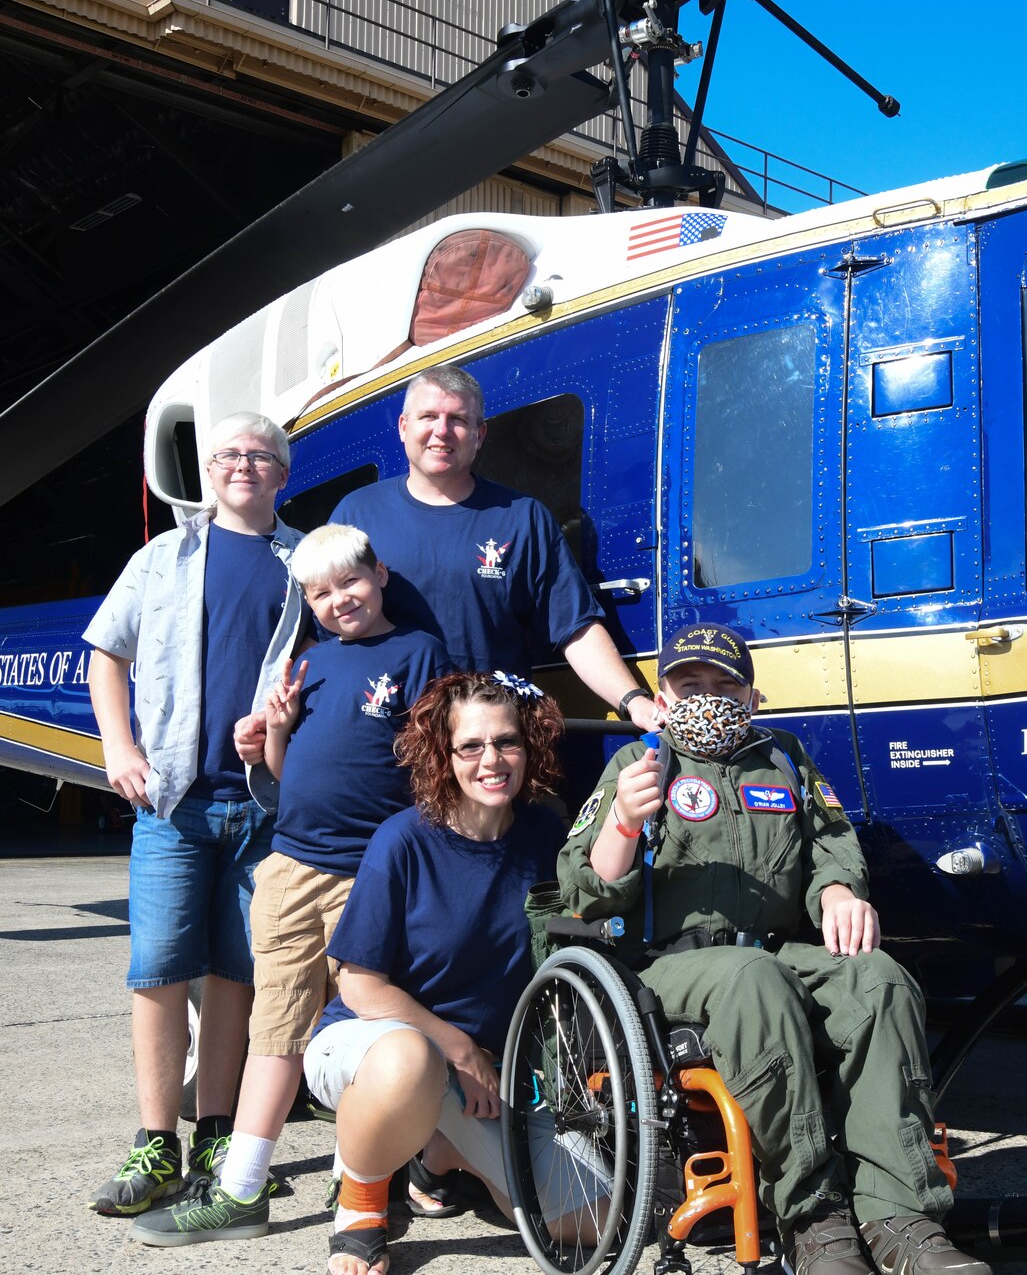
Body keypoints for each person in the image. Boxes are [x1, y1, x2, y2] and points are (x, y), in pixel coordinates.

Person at [559, 622, 991, 1275]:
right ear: (666, 696)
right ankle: (812, 1217)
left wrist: (840, 893)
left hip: (777, 951)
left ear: (753, 697)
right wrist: (622, 820)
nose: (709, 696)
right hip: (669, 965)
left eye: (724, 685)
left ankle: (899, 1215)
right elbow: (584, 891)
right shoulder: (639, 762)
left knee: (879, 979)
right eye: (690, 684)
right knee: (753, 978)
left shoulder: (783, 758)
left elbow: (830, 845)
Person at [132, 524, 450, 1245]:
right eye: (321, 592)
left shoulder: (420, 652)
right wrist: (271, 730)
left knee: (363, 1030)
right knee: (274, 1029)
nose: (340, 600)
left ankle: (363, 1185)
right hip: (291, 867)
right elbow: (277, 774)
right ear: (306, 601)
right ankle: (241, 1189)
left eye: (351, 583)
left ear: (381, 574)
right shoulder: (308, 664)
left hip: (372, 874)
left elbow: (431, 762)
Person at [82, 411, 306, 1217]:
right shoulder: (163, 557)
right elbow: (107, 653)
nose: (244, 466)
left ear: (283, 473)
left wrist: (277, 729)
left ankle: (216, 1130)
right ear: (209, 473)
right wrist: (118, 749)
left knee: (237, 973)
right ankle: (155, 1142)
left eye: (261, 456)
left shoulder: (303, 562)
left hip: (261, 805)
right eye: (229, 456)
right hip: (174, 799)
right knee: (158, 971)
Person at [306, 671, 604, 1275]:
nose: (491, 759)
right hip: (376, 1046)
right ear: (442, 755)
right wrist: (459, 1048)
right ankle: (361, 1202)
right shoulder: (403, 841)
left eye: (507, 741)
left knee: (589, 1222)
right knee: (410, 1061)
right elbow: (358, 984)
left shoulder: (547, 833)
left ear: (530, 746)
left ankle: (439, 1157)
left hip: (486, 1072)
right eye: (471, 746)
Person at [326, 364, 661, 731]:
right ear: (404, 427)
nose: (441, 430)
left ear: (479, 434)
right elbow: (323, 628)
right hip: (389, 735)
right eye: (428, 417)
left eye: (457, 419)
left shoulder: (522, 517)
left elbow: (573, 626)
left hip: (488, 741)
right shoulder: (356, 513)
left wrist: (633, 701)